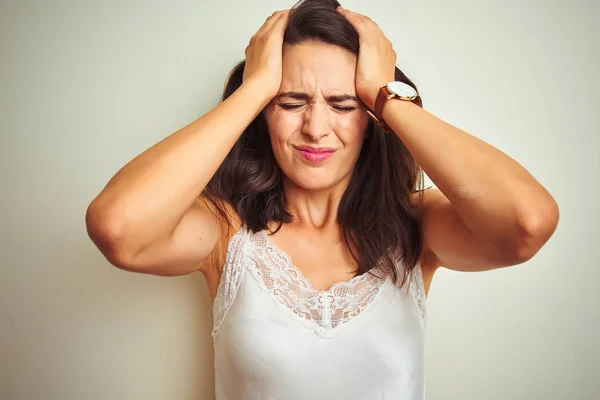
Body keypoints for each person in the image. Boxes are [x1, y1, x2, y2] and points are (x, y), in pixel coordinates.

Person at [85, 0, 559, 398]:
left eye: (344, 104)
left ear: (373, 118)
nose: (315, 127)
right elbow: (119, 229)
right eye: (290, 102)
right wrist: (254, 89)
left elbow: (527, 223)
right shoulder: (226, 232)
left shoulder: (417, 224)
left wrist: (388, 95)